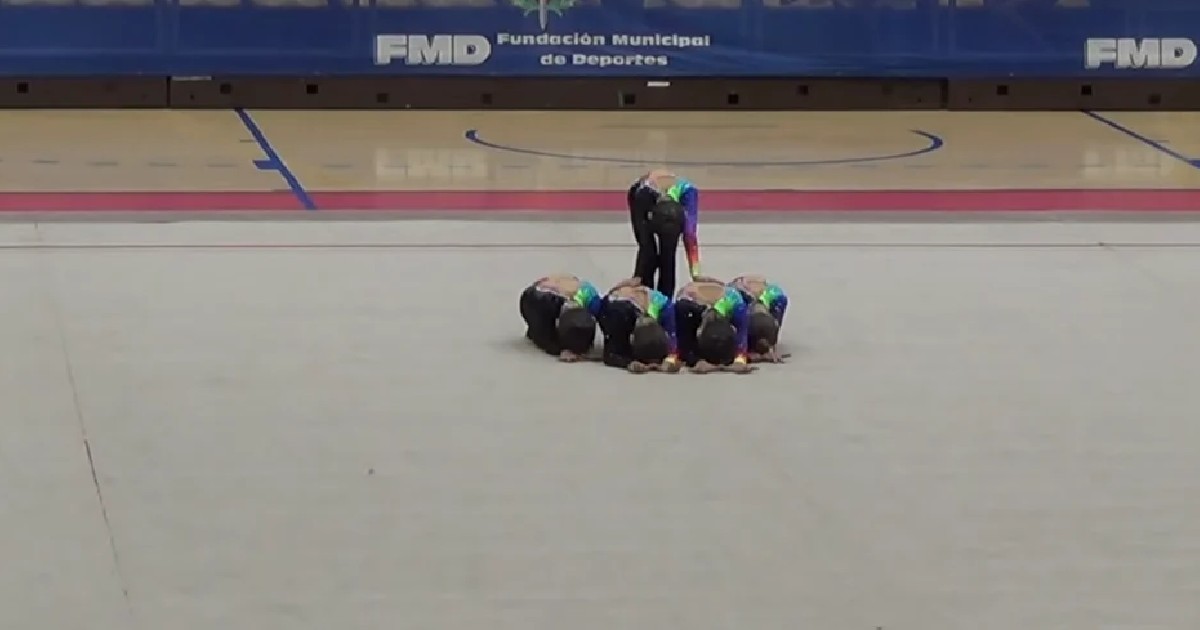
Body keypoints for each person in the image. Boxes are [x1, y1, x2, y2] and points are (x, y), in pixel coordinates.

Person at [627, 169, 701, 298]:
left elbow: (690, 235)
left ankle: (664, 298)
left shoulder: (689, 193)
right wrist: (639, 274)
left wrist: (695, 273)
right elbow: (644, 242)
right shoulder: (641, 195)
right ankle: (645, 293)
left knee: (668, 258)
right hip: (642, 197)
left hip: (668, 209)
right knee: (649, 252)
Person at [598, 278, 681, 374]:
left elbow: (674, 349)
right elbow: (610, 355)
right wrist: (629, 363)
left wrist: (670, 362)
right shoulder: (618, 314)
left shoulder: (664, 306)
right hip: (616, 305)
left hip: (640, 302)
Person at [674, 276, 753, 374]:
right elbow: (680, 342)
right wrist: (694, 360)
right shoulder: (684, 306)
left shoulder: (736, 303)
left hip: (723, 295)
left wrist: (739, 360)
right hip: (692, 299)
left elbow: (742, 332)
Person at [518, 274, 603, 362]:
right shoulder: (588, 296)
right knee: (554, 346)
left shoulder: (583, 287)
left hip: (530, 295)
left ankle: (535, 333)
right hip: (550, 301)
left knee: (542, 333)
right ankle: (570, 348)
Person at [728, 274, 789, 363]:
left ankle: (766, 344)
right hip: (737, 293)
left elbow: (777, 321)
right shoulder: (735, 299)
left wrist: (772, 347)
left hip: (757, 298)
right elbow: (740, 329)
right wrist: (742, 354)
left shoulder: (776, 295)